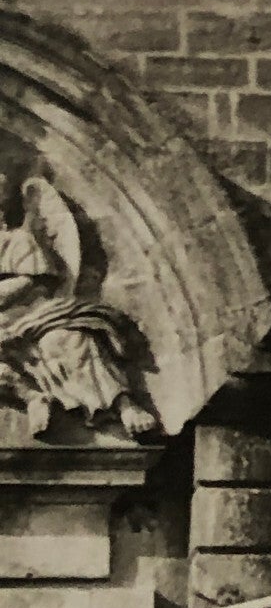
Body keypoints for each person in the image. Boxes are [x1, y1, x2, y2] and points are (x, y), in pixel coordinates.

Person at [0, 171, 155, 439]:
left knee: (66, 339)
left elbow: (34, 279)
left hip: (28, 313)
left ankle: (123, 404)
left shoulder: (17, 241)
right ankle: (33, 397)